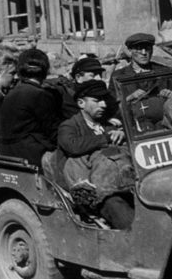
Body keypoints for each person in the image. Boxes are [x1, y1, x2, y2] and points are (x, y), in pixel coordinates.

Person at [57, 80, 135, 229]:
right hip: (99, 193)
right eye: (97, 101)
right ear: (81, 103)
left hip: (125, 183)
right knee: (120, 211)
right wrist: (106, 137)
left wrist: (122, 134)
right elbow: (73, 146)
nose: (103, 105)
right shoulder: (69, 126)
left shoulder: (108, 124)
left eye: (104, 100)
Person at [0, 48, 62, 168]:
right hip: (31, 155)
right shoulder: (40, 95)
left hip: (8, 152)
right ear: (45, 71)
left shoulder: (12, 92)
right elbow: (53, 130)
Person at [108, 33, 172, 131]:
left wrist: (171, 96)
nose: (144, 53)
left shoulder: (164, 71)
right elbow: (112, 109)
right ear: (130, 51)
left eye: (147, 48)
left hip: (164, 124)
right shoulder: (119, 76)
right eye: (139, 49)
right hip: (135, 127)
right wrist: (129, 98)